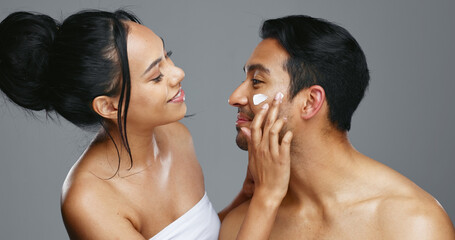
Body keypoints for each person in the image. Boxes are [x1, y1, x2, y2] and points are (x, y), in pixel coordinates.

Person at [0, 10, 292, 239]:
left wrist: (246, 195)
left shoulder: (176, 137)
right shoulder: (89, 201)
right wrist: (267, 199)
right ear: (108, 106)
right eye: (156, 76)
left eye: (167, 57)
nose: (178, 73)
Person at [220, 15, 455, 239]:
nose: (234, 97)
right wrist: (264, 201)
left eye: (257, 82)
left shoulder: (412, 223)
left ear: (311, 102)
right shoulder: (242, 223)